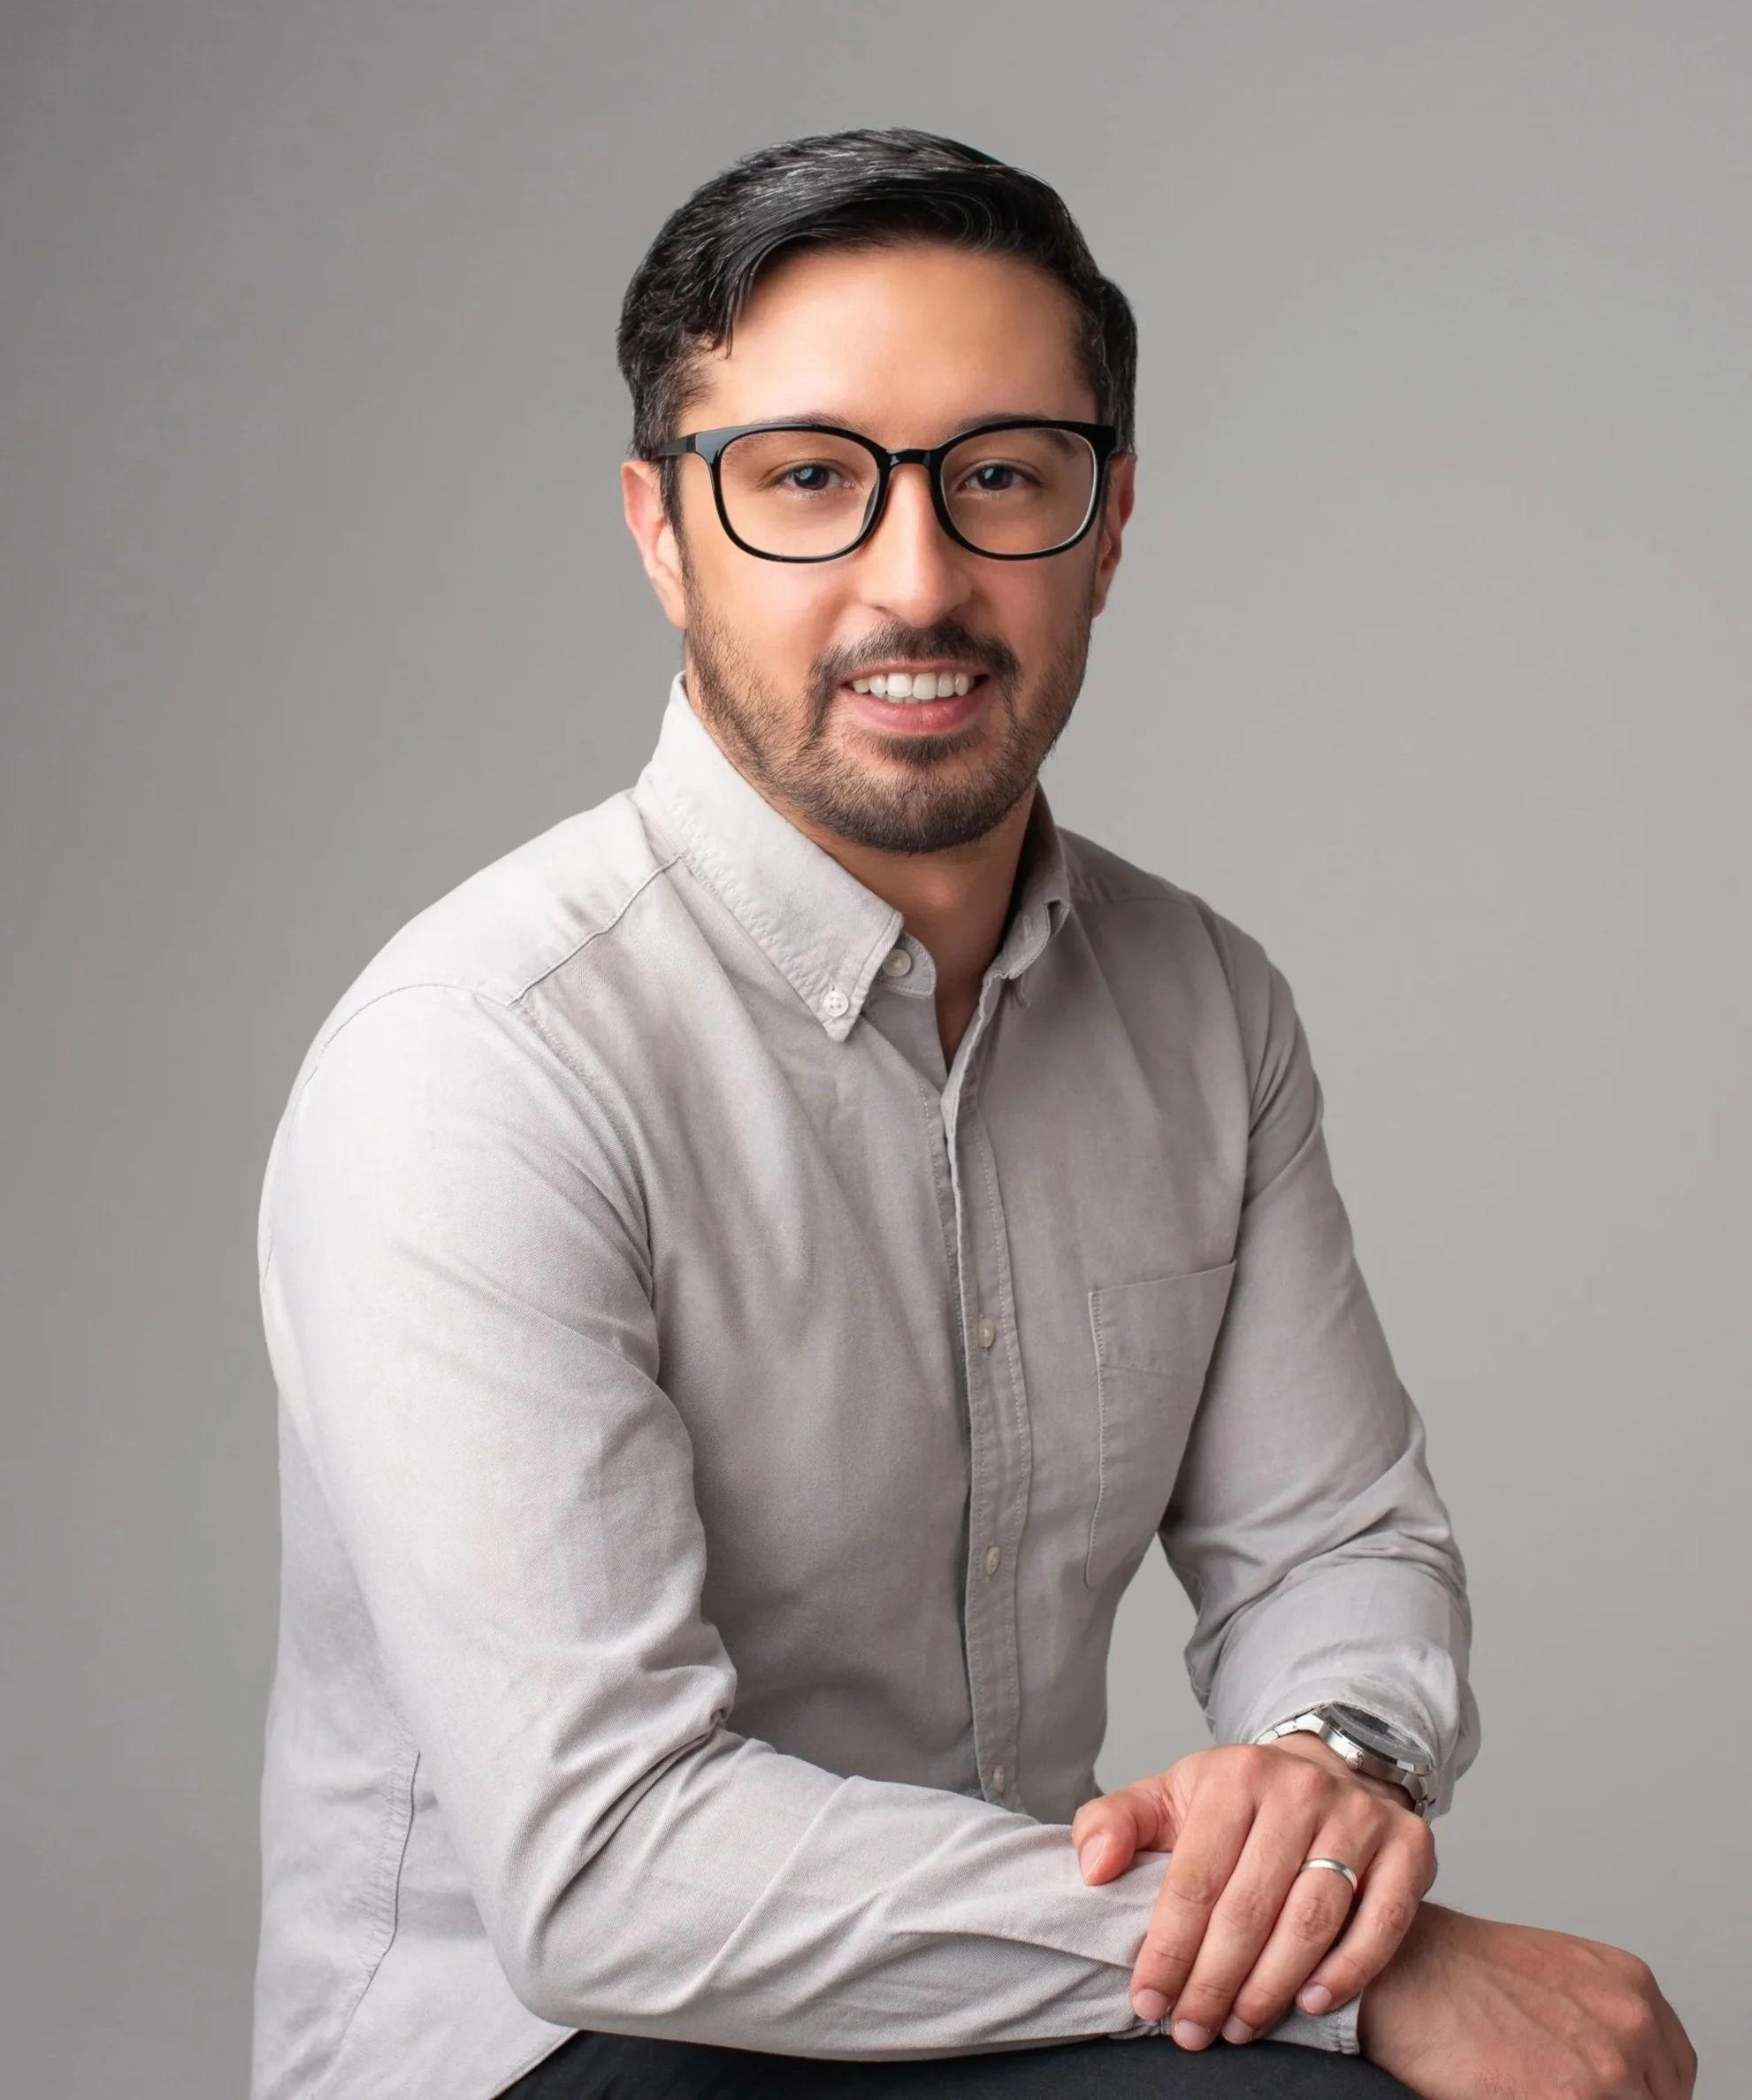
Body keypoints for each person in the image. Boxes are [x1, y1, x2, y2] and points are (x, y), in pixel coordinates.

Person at [249, 129, 1695, 2100]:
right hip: (564, 2038)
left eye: (1002, 476)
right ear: (662, 531)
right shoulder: (479, 1059)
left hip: (995, 1986)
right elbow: (606, 1869)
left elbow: (1332, 1543)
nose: (915, 580)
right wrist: (1362, 1971)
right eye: (808, 482)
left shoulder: (1202, 1004)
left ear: (1107, 527)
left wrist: (1322, 1779)